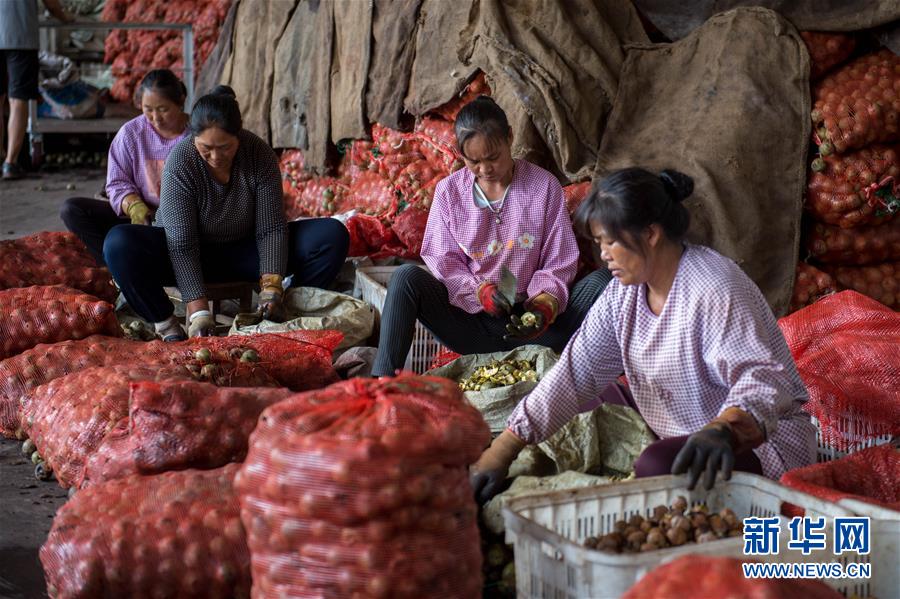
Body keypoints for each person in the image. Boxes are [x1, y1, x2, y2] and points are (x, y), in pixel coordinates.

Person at [470, 167, 816, 503]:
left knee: (656, 465)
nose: (604, 255)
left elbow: (763, 379)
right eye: (599, 242)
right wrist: (504, 448)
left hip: (751, 446)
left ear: (651, 234)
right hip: (683, 427)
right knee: (586, 397)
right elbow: (577, 372)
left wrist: (725, 429)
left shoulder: (712, 288)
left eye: (611, 242)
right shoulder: (626, 293)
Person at [371, 96, 611, 376]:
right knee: (405, 278)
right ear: (461, 154)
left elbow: (560, 259)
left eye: (493, 157)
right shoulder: (449, 194)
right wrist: (478, 291)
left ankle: (597, 375)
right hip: (474, 327)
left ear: (509, 137)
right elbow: (443, 260)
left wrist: (544, 306)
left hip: (536, 328)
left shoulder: (544, 187)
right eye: (473, 161)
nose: (485, 169)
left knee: (604, 282)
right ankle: (382, 383)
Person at [103, 85, 349, 341]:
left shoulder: (258, 154)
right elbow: (181, 244)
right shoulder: (181, 160)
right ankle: (167, 326)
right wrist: (198, 311)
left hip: (242, 251)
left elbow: (271, 228)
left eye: (225, 147)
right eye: (205, 148)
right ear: (193, 138)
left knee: (331, 235)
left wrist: (272, 288)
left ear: (238, 137)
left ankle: (287, 312)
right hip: (182, 253)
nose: (216, 156)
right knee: (119, 244)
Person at [60, 69, 190, 263]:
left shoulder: (195, 135)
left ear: (180, 101)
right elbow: (117, 181)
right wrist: (133, 205)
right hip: (142, 217)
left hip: (184, 220)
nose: (156, 118)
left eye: (163, 109)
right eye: (148, 109)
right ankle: (113, 270)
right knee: (72, 209)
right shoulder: (131, 133)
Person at [0, 0, 72, 179]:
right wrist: (65, 17)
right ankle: (10, 163)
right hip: (20, 36)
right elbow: (52, 5)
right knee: (18, 100)